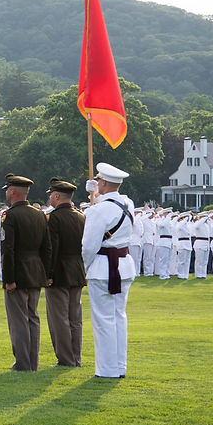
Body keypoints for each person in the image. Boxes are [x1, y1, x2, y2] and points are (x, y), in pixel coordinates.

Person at [82, 162, 136, 378]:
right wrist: (95, 194)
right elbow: (112, 202)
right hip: (123, 265)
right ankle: (119, 367)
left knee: (103, 320)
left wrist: (83, 268)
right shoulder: (128, 203)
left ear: (103, 181)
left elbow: (89, 246)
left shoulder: (98, 210)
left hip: (102, 267)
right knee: (119, 317)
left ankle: (106, 370)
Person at [0, 174, 51, 372]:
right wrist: (46, 274)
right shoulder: (39, 214)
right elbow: (47, 248)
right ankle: (32, 361)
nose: (6, 192)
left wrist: (9, 279)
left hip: (19, 272)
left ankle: (22, 362)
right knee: (33, 318)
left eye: (7, 189)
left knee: (19, 319)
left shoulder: (10, 216)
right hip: (35, 271)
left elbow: (8, 250)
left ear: (13, 192)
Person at [44, 178, 86, 367]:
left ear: (57, 196)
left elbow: (52, 249)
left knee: (59, 318)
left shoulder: (54, 218)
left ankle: (66, 358)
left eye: (51, 195)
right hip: (77, 271)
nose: (50, 198)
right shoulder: (81, 217)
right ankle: (76, 356)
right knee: (75, 318)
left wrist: (48, 274)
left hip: (60, 272)